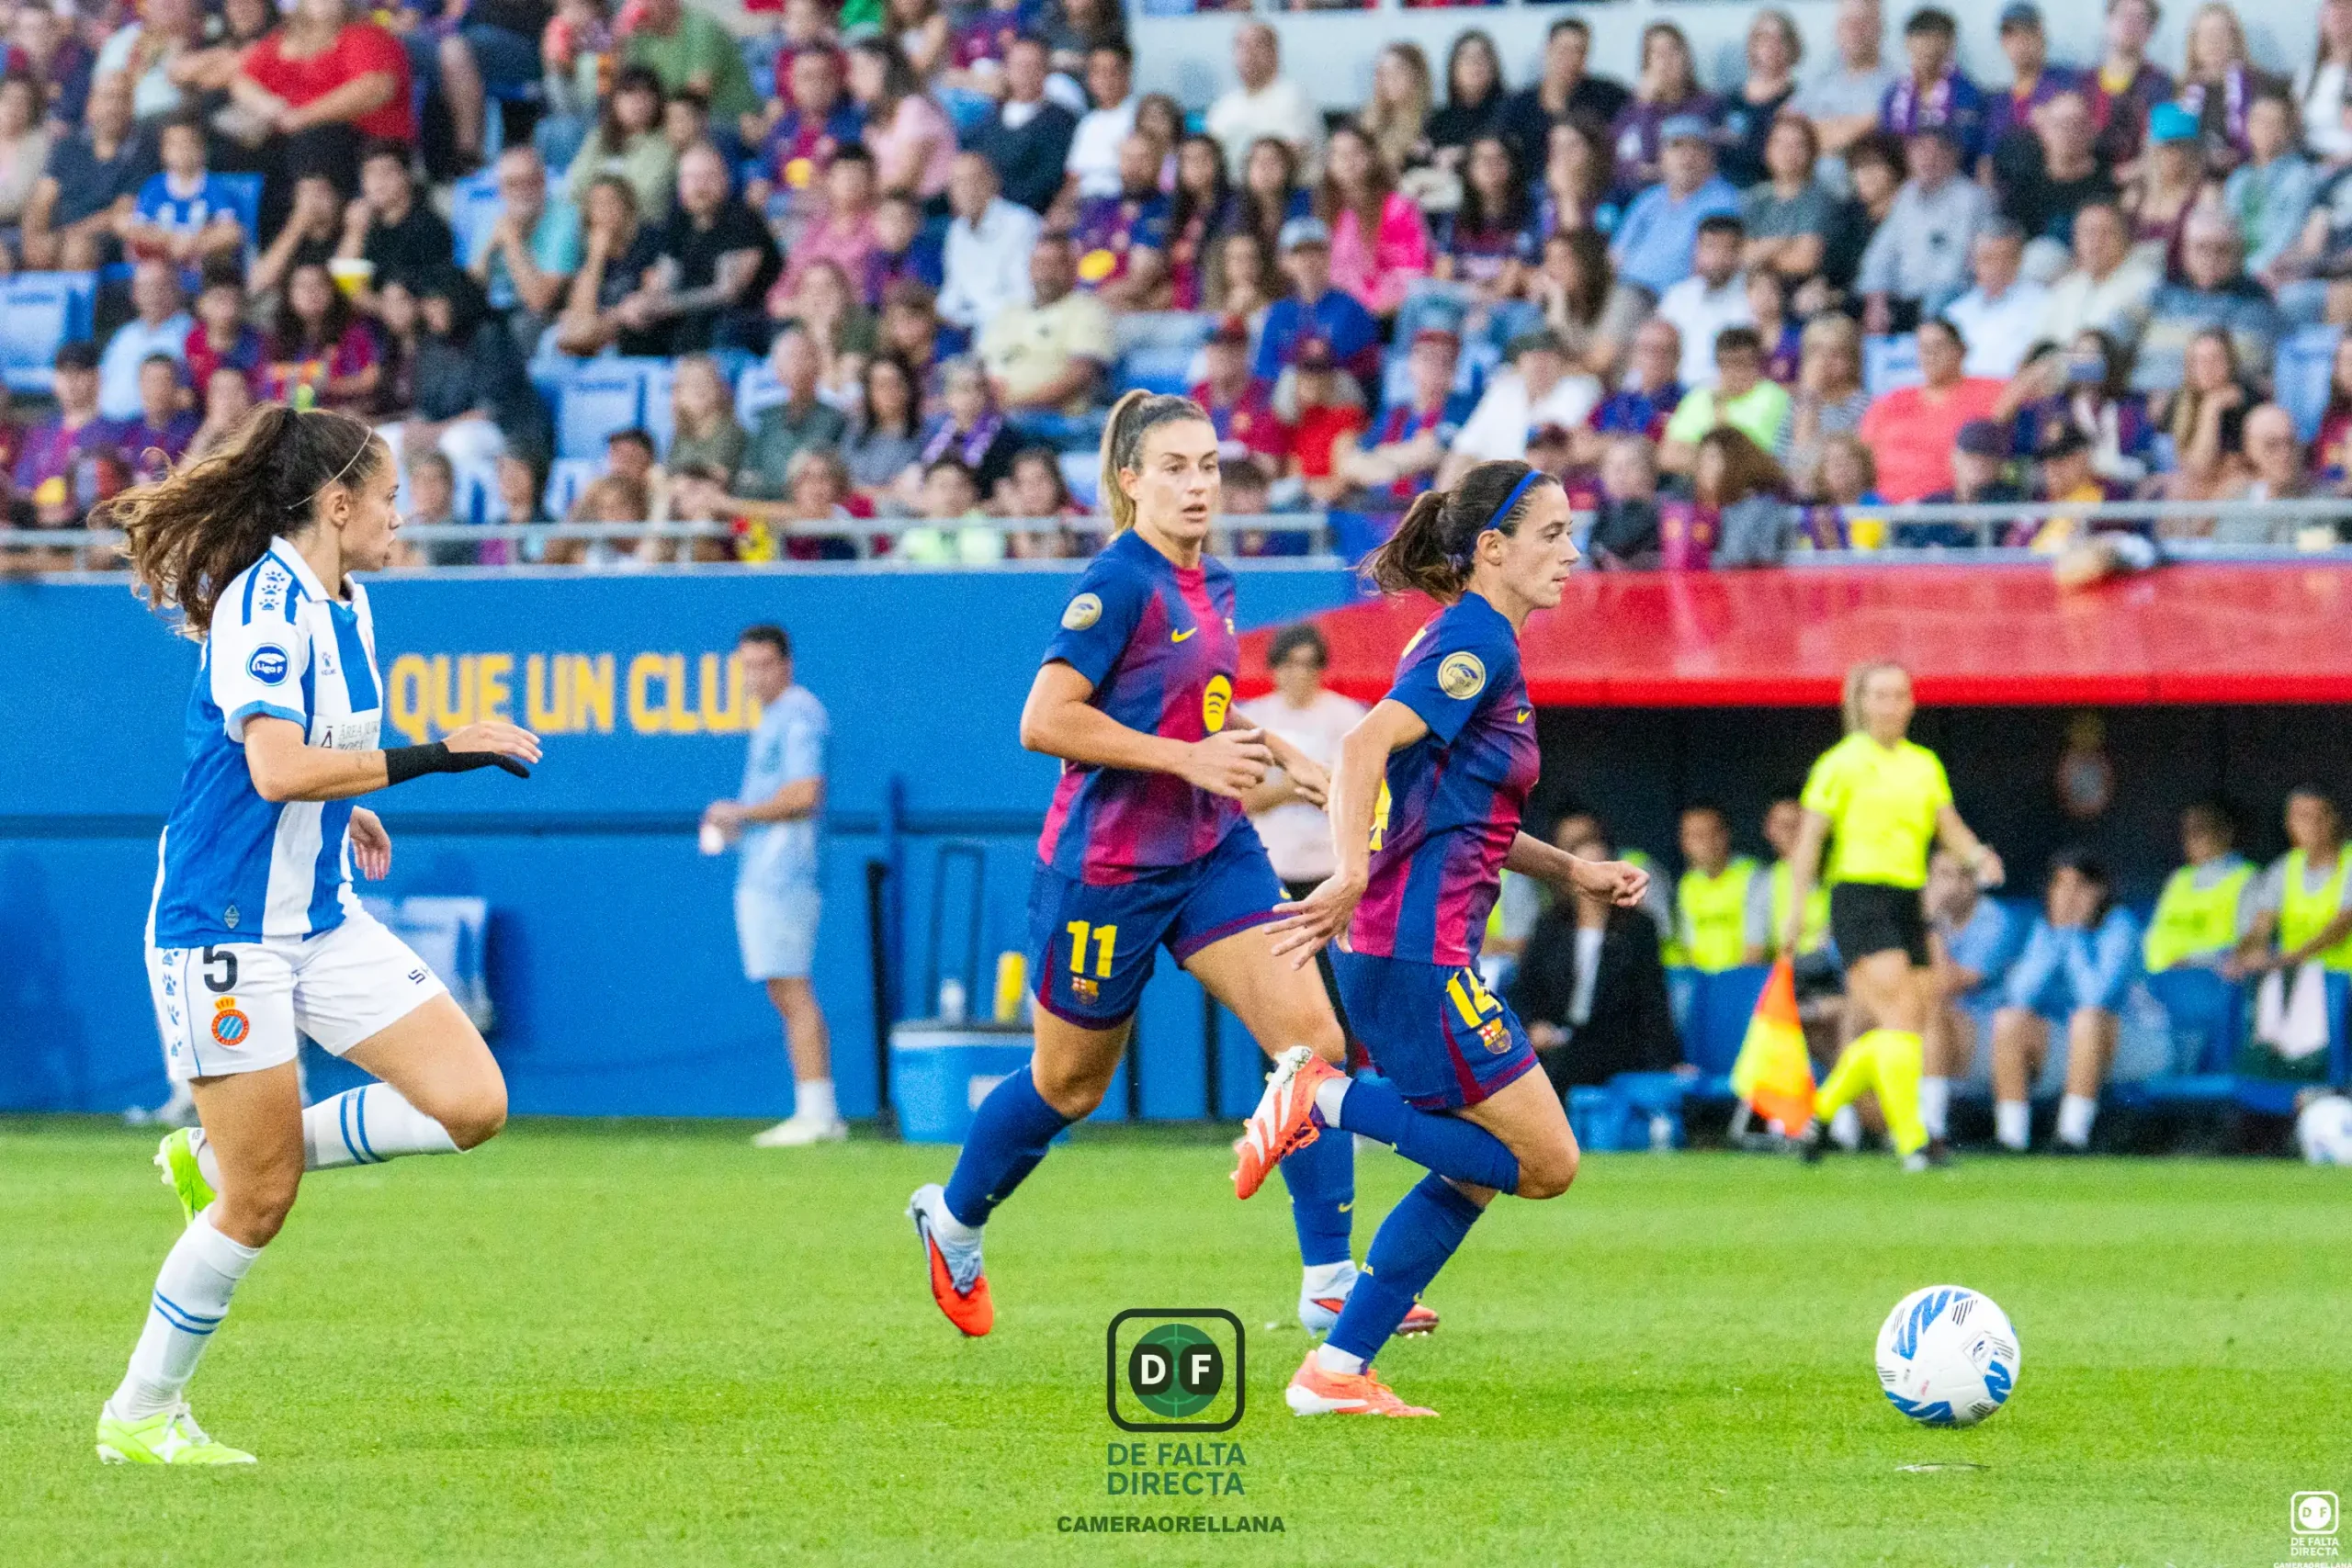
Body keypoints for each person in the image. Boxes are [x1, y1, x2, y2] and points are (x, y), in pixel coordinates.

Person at [904, 392, 1424, 1348]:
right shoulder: (1117, 583)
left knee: (1311, 1044)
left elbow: (1200, 704)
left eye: (1209, 466)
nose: (1197, 485)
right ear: (1131, 480)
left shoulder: (1212, 579)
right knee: (1068, 1086)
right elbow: (1043, 721)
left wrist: (1290, 757)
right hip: (1108, 871)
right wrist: (1187, 759)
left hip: (1212, 851)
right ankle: (955, 1218)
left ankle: (1327, 1280)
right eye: (1176, 468)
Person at [96, 403, 537, 1465]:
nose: (401, 516)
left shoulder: (352, 604)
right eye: (388, 496)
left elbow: (316, 758)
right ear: (336, 505)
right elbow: (275, 768)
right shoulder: (261, 604)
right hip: (223, 928)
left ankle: (217, 1155)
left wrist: (354, 805)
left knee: (473, 1104)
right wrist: (439, 754)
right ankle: (140, 1413)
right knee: (259, 1202)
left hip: (321, 916)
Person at [1248, 458, 1648, 1418]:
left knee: (1473, 1168)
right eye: (1552, 533)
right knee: (1546, 1162)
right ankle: (1321, 1096)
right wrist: (1349, 870)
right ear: (1493, 548)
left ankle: (1335, 1369)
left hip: (1412, 950)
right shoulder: (1474, 642)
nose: (1572, 551)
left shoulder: (1469, 638)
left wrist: (1574, 871)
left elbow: (1466, 814)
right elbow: (1361, 748)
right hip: (1416, 953)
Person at [1781, 660, 2005, 1169]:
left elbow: (1949, 827)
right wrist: (1797, 911)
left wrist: (1978, 857)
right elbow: (1810, 842)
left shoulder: (1923, 764)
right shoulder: (1839, 764)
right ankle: (1914, 1141)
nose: (1889, 705)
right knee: (1900, 1018)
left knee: (1909, 1023)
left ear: (1911, 703)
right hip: (1859, 897)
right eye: (1879, 695)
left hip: (1908, 899)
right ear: (1862, 703)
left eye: (1899, 695)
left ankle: (1820, 1114)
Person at [698, 625, 840, 1147]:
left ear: (786, 665)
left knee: (791, 987)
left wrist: (741, 813)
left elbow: (806, 794)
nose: (755, 677)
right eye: (747, 666)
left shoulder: (799, 714)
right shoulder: (775, 718)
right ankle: (815, 1108)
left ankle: (817, 1112)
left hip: (787, 874)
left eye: (764, 665)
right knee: (783, 988)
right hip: (766, 871)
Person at [1988, 851, 2152, 1153]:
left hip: (2138, 1044)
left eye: (2079, 886)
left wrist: (2072, 937)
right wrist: (2056, 938)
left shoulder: (2120, 925)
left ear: (2099, 891)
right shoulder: (2045, 928)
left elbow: (2096, 997)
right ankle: (2011, 1136)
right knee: (2009, 1020)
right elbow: (2019, 995)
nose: (2068, 896)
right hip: (2076, 1045)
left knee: (2087, 1019)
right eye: (2060, 885)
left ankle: (2072, 1135)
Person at [1509, 812, 1678, 1095]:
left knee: (1564, 1066)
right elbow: (1525, 988)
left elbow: (1653, 1002)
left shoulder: (1638, 928)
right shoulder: (1550, 925)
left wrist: (1669, 1061)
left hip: (1615, 1044)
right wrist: (1533, 1026)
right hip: (1557, 1037)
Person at [1919, 845, 2025, 1145]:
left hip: (1996, 1040)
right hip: (1937, 1039)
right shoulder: (1921, 919)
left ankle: (1931, 1130)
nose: (1953, 885)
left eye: (1963, 876)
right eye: (1943, 875)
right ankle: (1843, 1130)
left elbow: (1947, 985)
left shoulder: (1995, 919)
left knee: (1934, 1014)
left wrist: (1930, 924)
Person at [1858, 125, 1993, 333]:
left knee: (1934, 303)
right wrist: (1877, 300)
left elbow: (1955, 271)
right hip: (1904, 297)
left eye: (1938, 150)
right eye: (1920, 149)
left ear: (1953, 156)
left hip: (1950, 296)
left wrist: (1910, 304)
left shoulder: (1970, 199)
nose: (1928, 159)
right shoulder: (1906, 195)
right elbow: (1880, 255)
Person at [2134, 209, 2282, 395]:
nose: (2211, 259)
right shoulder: (2160, 292)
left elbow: (2235, 367)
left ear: (2239, 254)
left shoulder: (2256, 303)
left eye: (2222, 250)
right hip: (2138, 398)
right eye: (2201, 248)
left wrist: (2173, 397)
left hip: (2207, 402)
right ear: (2185, 251)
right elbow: (2115, 341)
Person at [1857, 318, 2006, 502]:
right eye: (1923, 348)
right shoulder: (1892, 401)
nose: (1930, 354)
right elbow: (1862, 455)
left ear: (1961, 350)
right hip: (1886, 508)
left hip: (1950, 508)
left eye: (1938, 346)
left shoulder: (1989, 392)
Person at [22, 66, 151, 272]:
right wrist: (33, 238)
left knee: (77, 250)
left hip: (107, 240)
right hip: (60, 236)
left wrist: (64, 238)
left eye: (122, 98)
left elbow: (119, 213)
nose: (114, 106)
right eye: (108, 97)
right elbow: (41, 200)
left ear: (131, 106)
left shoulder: (142, 152)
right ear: (92, 105)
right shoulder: (68, 146)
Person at [974, 234, 1113, 419]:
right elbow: (978, 365)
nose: (1045, 272)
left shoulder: (1088, 310)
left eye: (1055, 264)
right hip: (991, 413)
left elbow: (1080, 377)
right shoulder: (1010, 312)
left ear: (1072, 268)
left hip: (1051, 419)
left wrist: (1010, 405)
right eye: (1039, 263)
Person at [1441, 329, 1600, 486]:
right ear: (1519, 362)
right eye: (1532, 357)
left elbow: (1559, 453)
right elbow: (1465, 449)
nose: (1540, 364)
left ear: (1560, 361)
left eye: (1547, 356)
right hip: (1495, 488)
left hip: (1548, 488)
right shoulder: (1503, 390)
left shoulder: (1577, 391)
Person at [2228, 787, 2352, 985]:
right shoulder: (2284, 867)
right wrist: (2246, 953)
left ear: (2333, 819)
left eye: (2316, 816)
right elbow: (2261, 926)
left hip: (2343, 984)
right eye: (2300, 817)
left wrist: (2289, 959)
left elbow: (2341, 926)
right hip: (2299, 984)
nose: (2311, 824)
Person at [1610, 116, 1743, 300]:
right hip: (1628, 290)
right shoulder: (1649, 199)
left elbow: (1716, 260)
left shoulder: (1724, 200)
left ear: (1710, 156)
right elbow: (1616, 254)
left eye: (1696, 147)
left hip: (1685, 298)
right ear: (1661, 156)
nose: (1687, 156)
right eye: (1676, 146)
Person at [465, 145, 581, 349]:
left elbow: (540, 301)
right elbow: (469, 290)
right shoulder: (492, 218)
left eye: (529, 181)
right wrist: (489, 249)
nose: (521, 191)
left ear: (543, 182)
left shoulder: (564, 219)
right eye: (512, 184)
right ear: (501, 189)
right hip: (499, 311)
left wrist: (512, 241)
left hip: (552, 317)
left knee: (521, 327)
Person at [1253, 218, 1381, 389]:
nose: (1309, 260)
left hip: (1338, 399)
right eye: (1298, 252)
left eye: (1316, 250)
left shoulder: (1351, 309)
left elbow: (1365, 372)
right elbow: (1265, 373)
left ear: (1329, 255)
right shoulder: (1278, 314)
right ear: (1283, 261)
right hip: (1288, 400)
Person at [1498, 17, 1632, 170]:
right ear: (1547, 50)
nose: (1571, 59)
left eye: (1579, 51)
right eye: (1564, 50)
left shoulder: (1609, 96)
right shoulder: (1518, 105)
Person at [735, 327, 849, 502]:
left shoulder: (836, 418)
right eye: (790, 357)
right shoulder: (766, 417)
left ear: (818, 364)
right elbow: (748, 477)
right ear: (777, 369)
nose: (797, 364)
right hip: (767, 508)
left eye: (803, 356)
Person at [1659, 327, 1792, 477]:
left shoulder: (1775, 398)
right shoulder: (1698, 398)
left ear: (1758, 363)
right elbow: (1668, 456)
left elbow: (1766, 461)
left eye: (1742, 363)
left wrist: (1706, 456)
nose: (1735, 371)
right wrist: (1716, 462)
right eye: (1727, 363)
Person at [2144, 800, 2256, 973]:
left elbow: (2248, 947)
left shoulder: (2246, 878)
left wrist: (2190, 960)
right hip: (2163, 979)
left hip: (2214, 980)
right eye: (2187, 832)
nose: (2191, 839)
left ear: (2225, 832)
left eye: (2200, 830)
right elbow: (2154, 936)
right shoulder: (2179, 879)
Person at [968, 37, 1076, 216]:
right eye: (1019, 66)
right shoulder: (990, 119)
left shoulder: (1060, 122)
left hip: (1033, 216)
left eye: (1033, 66)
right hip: (988, 216)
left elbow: (1048, 179)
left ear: (1046, 71)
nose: (1025, 73)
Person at [126, 113, 245, 269]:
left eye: (188, 143)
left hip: (202, 263)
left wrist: (195, 244)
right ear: (163, 151)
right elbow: (137, 229)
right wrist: (169, 241)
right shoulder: (154, 187)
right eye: (174, 144)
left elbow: (231, 231)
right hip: (162, 264)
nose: (182, 151)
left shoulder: (213, 187)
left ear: (202, 149)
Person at [938, 151, 1039, 332]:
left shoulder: (1020, 224)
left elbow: (1024, 297)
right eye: (957, 182)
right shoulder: (957, 231)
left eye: (972, 180)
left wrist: (969, 318)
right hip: (968, 327)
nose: (965, 190)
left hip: (1013, 327)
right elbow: (952, 294)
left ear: (993, 183)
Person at [1205, 21, 1321, 179]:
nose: (1248, 55)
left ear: (1274, 53)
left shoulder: (1292, 95)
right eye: (1241, 47)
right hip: (1234, 191)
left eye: (1257, 46)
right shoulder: (1223, 106)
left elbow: (1295, 152)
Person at [624, 0, 758, 135]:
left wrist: (646, 111)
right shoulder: (643, 38)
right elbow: (628, 87)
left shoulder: (700, 27)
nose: (642, 6)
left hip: (727, 122)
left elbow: (698, 90)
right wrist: (622, 37)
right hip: (673, 123)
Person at [1656, 215, 1754, 391]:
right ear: (1697, 250)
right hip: (1671, 392)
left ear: (1740, 252)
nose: (1717, 258)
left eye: (1726, 249)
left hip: (1724, 393)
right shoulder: (1676, 296)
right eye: (1710, 247)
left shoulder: (1752, 298)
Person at [1796, 0, 1902, 161]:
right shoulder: (1818, 79)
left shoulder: (1898, 84)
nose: (1854, 30)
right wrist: (1862, 125)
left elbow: (1805, 139)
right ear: (1837, 29)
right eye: (1847, 22)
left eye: (1863, 22)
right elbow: (1787, 130)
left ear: (1880, 28)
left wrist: (1819, 130)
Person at [1880, 6, 1986, 164]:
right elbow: (1886, 145)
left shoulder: (1967, 94)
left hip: (1955, 175)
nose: (1928, 46)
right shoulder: (1893, 95)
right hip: (1904, 175)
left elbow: (1968, 144)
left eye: (1936, 38)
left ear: (1950, 44)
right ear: (1908, 42)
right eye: (1921, 37)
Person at [1944, 222, 2051, 378]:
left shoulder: (2043, 302)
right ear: (1973, 261)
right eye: (1988, 258)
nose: (1997, 267)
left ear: (2019, 260)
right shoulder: (1956, 312)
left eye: (2005, 258)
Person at [99, 260, 195, 423]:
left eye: (160, 287)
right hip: (108, 425)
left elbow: (188, 396)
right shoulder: (125, 334)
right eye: (144, 288)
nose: (153, 295)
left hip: (157, 427)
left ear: (177, 290)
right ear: (134, 294)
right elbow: (101, 381)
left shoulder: (190, 333)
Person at [1668, 805, 1759, 972]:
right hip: (1703, 982)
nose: (1706, 843)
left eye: (1712, 833)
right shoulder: (1688, 884)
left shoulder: (1752, 875)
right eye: (1696, 836)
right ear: (1683, 842)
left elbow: (1756, 949)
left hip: (1747, 980)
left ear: (1726, 835)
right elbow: (1688, 947)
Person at [1063, 41, 1137, 203]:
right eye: (1098, 71)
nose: (1105, 79)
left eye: (1112, 72)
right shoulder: (1088, 123)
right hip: (1085, 204)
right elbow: (1073, 177)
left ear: (1127, 72)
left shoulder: (1138, 117)